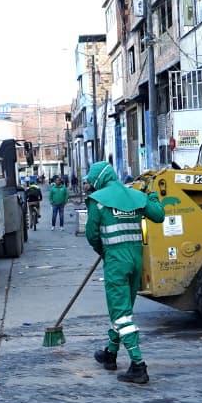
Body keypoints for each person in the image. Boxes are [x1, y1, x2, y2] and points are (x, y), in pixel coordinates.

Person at [85, 161, 165, 384]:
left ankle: (138, 366)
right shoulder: (136, 197)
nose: (91, 185)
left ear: (99, 179)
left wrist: (105, 251)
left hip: (116, 262)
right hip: (136, 261)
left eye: (92, 181)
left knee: (121, 314)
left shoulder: (98, 201)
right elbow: (158, 216)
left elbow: (91, 234)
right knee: (124, 309)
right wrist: (151, 196)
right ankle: (110, 353)